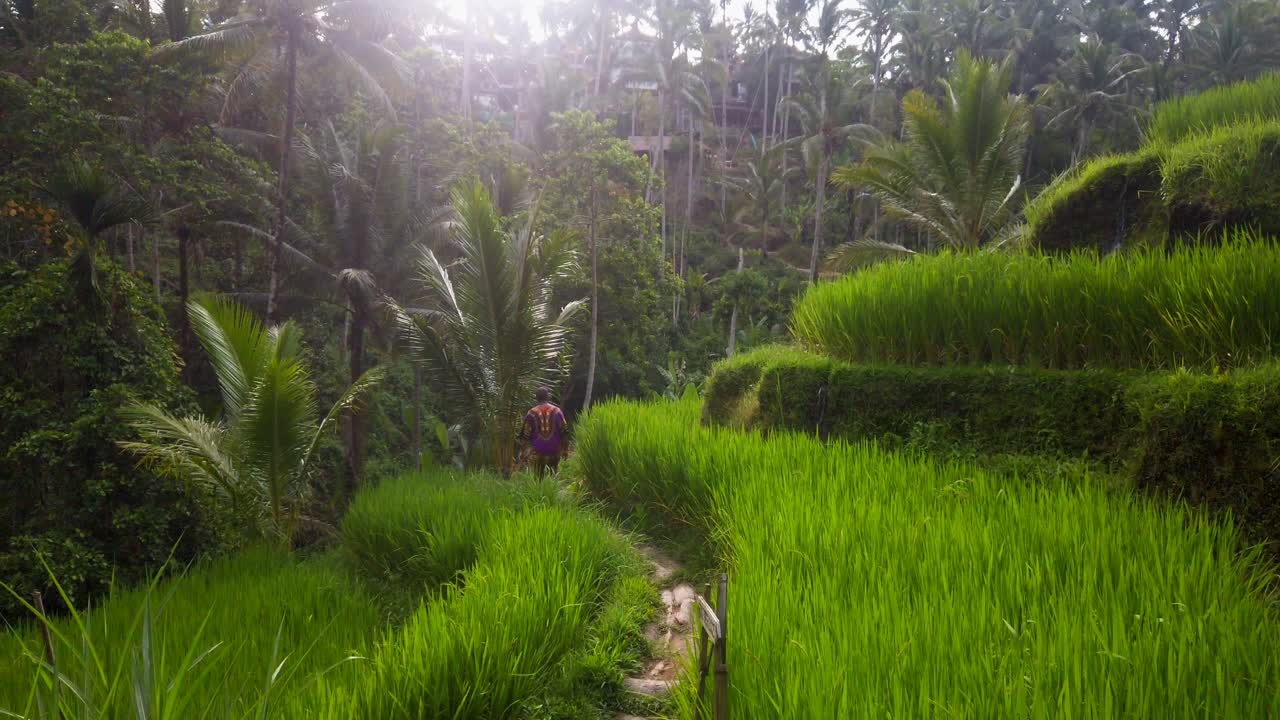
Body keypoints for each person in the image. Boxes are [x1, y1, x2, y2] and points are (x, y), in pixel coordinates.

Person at [520, 387, 566, 477]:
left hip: (537, 453)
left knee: (538, 479)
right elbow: (564, 432)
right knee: (552, 478)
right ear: (548, 397)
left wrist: (523, 452)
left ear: (536, 398)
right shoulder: (557, 411)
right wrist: (565, 450)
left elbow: (525, 435)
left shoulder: (531, 413)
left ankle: (539, 490)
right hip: (554, 452)